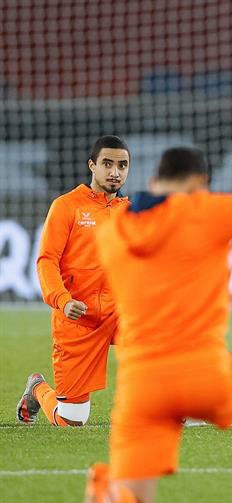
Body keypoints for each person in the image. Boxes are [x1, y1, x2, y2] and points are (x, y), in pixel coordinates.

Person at [81, 115, 232, 503]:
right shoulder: (203, 210)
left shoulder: (114, 232)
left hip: (141, 386)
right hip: (203, 373)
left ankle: (110, 492)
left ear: (153, 178)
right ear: (200, 182)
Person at [16, 136, 131, 426]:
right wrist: (63, 301)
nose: (115, 172)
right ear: (92, 165)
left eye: (122, 165)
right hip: (78, 317)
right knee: (71, 420)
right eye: (107, 164)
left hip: (120, 313)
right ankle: (38, 388)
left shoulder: (130, 212)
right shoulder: (66, 206)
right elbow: (46, 261)